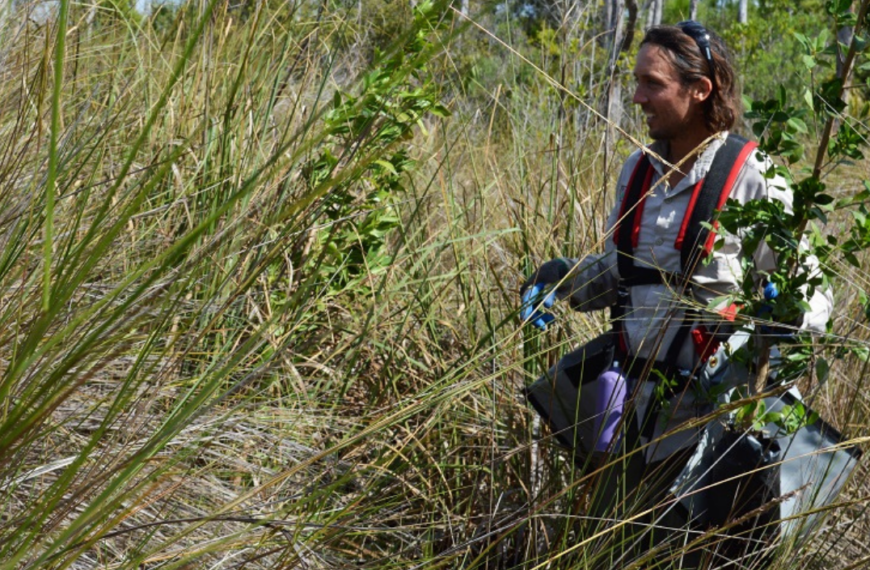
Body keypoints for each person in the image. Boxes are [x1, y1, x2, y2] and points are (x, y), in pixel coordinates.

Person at [520, 22, 834, 568]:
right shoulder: (638, 172)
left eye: (652, 83)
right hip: (634, 417)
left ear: (700, 90)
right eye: (636, 81)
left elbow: (815, 303)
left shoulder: (754, 176)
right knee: (607, 552)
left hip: (713, 427)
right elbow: (623, 273)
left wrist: (780, 325)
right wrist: (562, 280)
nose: (637, 96)